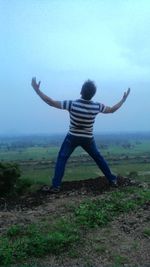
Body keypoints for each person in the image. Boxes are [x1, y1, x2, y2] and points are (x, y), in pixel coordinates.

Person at [31, 77, 130, 192]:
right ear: (93, 94)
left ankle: (56, 186)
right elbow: (112, 109)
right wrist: (123, 100)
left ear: (81, 91)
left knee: (62, 158)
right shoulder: (97, 106)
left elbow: (51, 102)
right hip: (88, 138)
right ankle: (112, 180)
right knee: (98, 158)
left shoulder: (72, 104)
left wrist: (37, 90)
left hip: (72, 137)